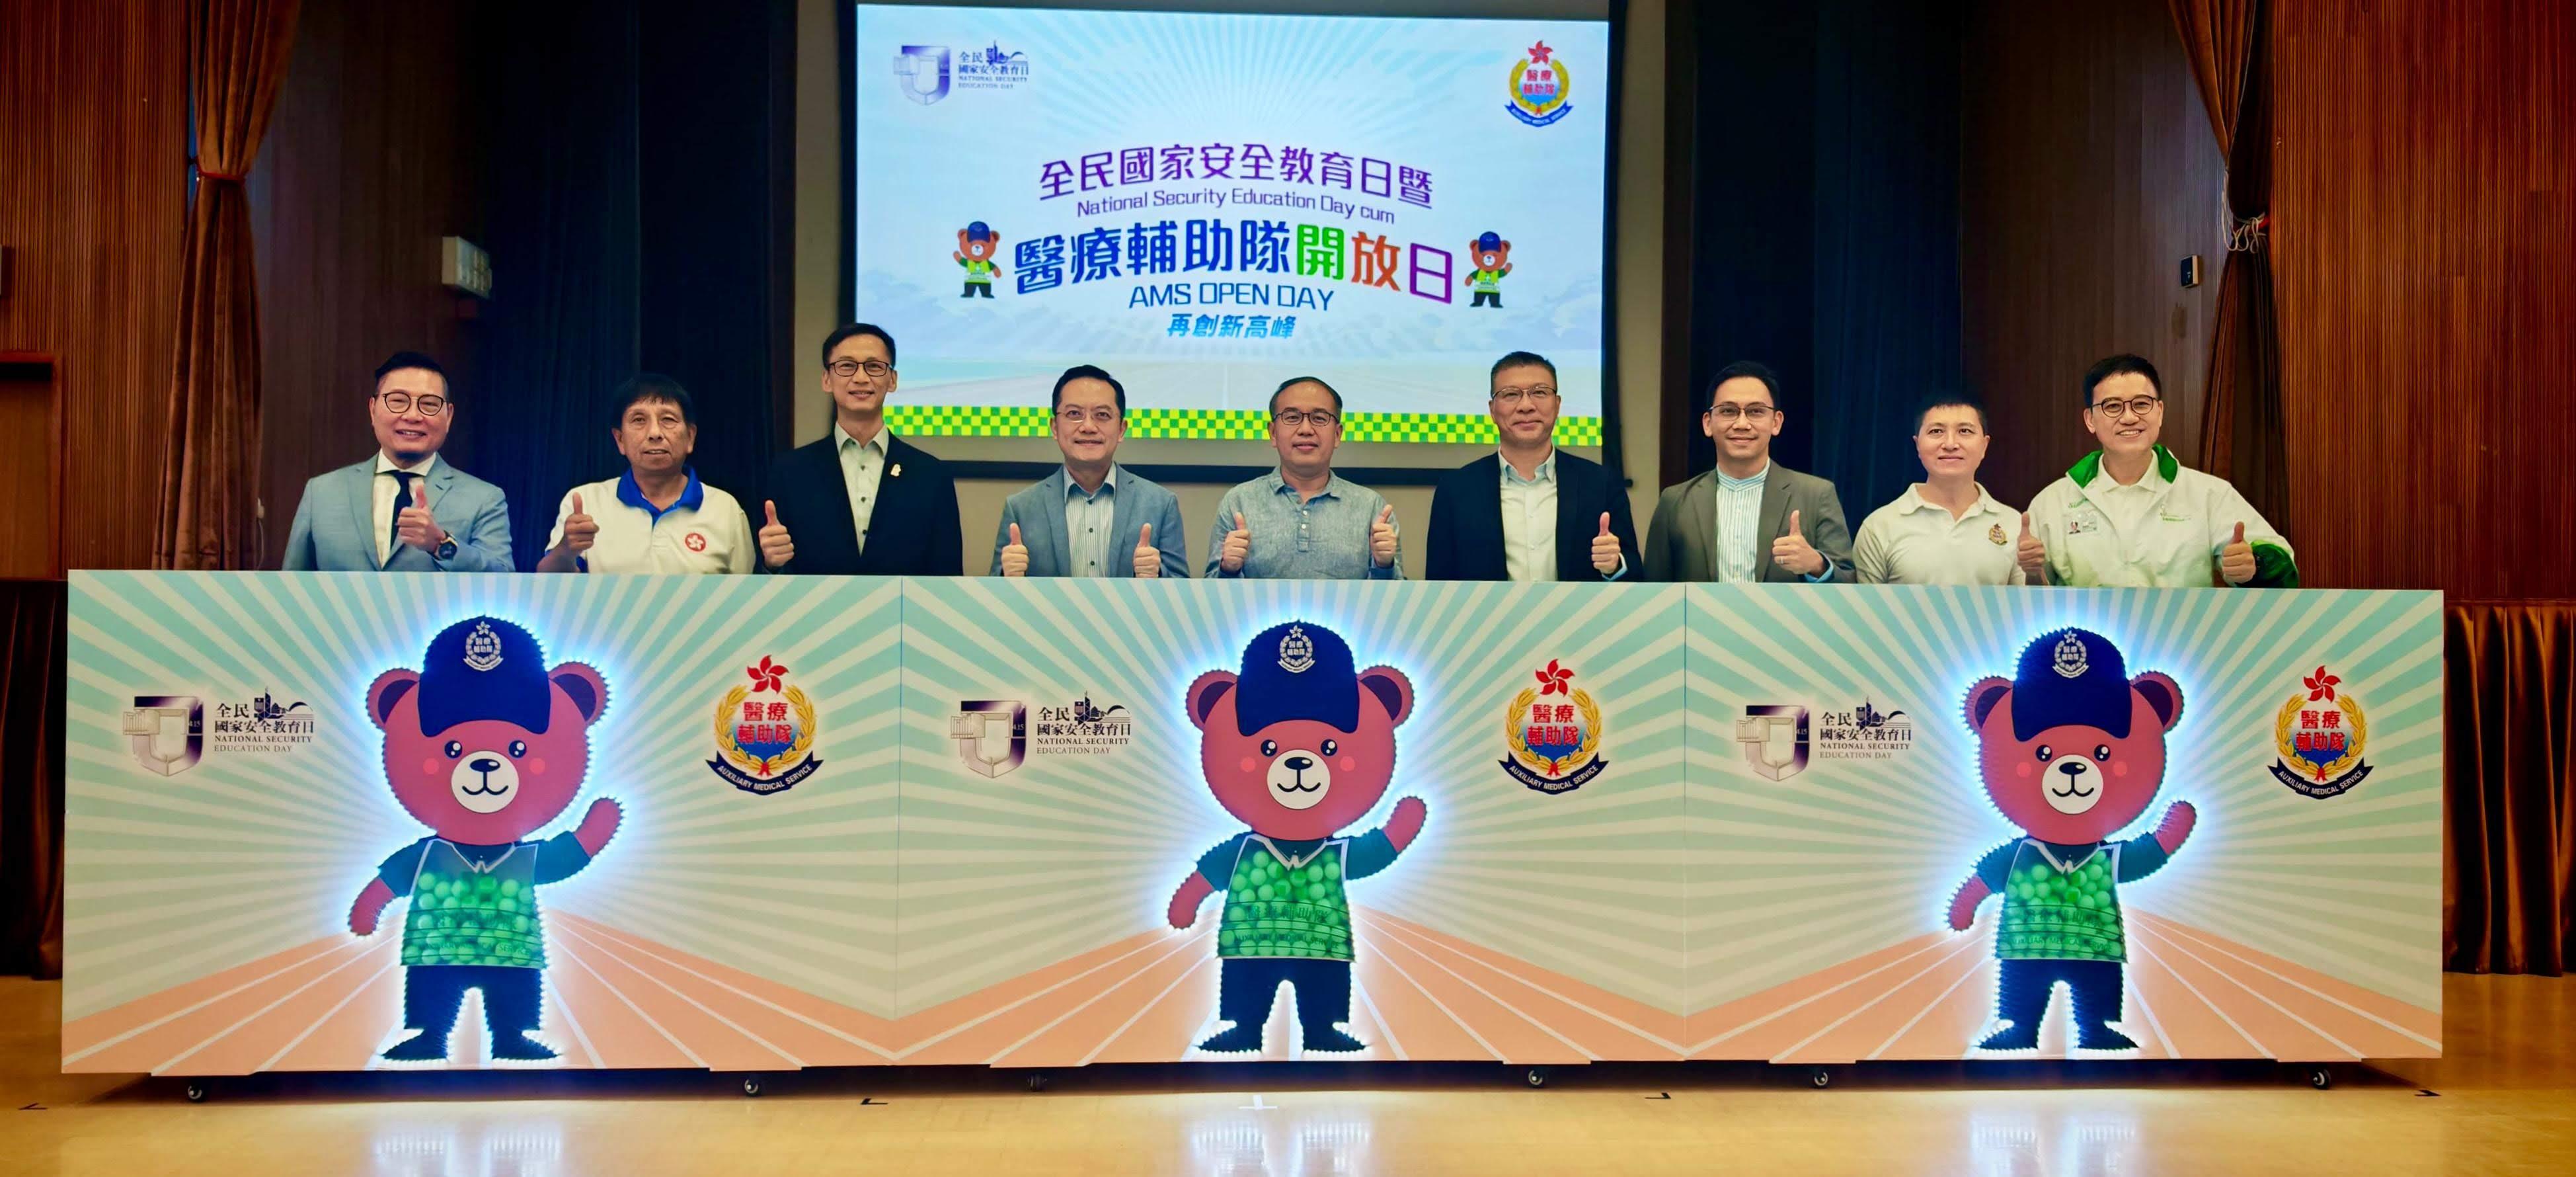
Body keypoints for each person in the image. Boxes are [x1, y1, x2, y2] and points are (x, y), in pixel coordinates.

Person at [2021, 354, 2297, 588]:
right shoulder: (2053, 502)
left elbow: (2282, 567)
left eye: (2141, 404)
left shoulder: (2208, 494)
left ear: (2160, 412)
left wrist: (2253, 566)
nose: (2129, 417)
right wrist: (2033, 572)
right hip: (2088, 648)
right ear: (2090, 419)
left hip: (2183, 645)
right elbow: (2025, 595)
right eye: (2112, 406)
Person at [757, 323, 962, 575]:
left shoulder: (932, 475)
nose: (861, 378)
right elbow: (769, 576)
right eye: (846, 366)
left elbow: (949, 579)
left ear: (893, 380)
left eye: (874, 367)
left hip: (904, 614)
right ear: (826, 380)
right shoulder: (789, 472)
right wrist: (771, 564)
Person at [282, 351, 513, 572]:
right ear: (373, 409)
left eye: (430, 404)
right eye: (398, 401)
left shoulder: (484, 499)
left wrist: (440, 544)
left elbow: (503, 583)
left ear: (449, 416)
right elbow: (291, 587)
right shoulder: (322, 492)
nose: (413, 416)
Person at [1424, 351, 1639, 581]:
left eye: (1539, 392)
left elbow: (1636, 577)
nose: (1526, 406)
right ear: (1492, 409)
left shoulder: (1600, 484)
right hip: (1488, 618)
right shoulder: (1456, 490)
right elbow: (1438, 587)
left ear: (1557, 405)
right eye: (1510, 395)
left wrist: (1614, 566)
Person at [1643, 361, 1854, 583]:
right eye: (1728, 411)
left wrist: (1817, 565)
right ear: (1708, 423)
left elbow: (1851, 585)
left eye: (1755, 411)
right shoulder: (1675, 501)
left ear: (1776, 422)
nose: (1742, 424)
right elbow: (1653, 591)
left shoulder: (1817, 495)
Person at [537, 374, 754, 575]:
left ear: (690, 437)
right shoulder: (586, 501)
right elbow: (548, 586)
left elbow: (745, 598)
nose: (655, 433)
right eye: (639, 420)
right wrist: (566, 549)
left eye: (668, 419)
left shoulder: (726, 509)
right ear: (620, 439)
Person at [990, 366, 1188, 578]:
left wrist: (1157, 574)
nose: (1088, 426)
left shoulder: (1160, 504)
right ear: (1055, 427)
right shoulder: (1020, 508)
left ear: (1121, 429)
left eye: (1102, 415)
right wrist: (1007, 578)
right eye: (1074, 414)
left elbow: (1182, 592)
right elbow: (997, 597)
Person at [1206, 377, 1399, 580]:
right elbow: (1213, 598)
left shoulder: (1372, 507)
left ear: (1337, 434)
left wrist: (1384, 566)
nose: (1306, 429)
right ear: (1273, 433)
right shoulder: (1239, 502)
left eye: (1319, 418)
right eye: (1292, 417)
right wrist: (1229, 569)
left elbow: (1395, 603)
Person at [1852, 393, 2025, 585]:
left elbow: (2026, 607)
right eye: (1936, 432)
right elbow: (1868, 611)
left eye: (1965, 431)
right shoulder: (1880, 525)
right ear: (1917, 444)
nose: (1950, 444)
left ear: (1984, 445)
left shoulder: (2013, 523)